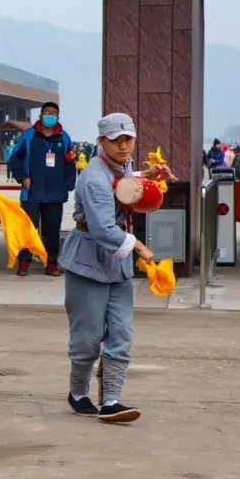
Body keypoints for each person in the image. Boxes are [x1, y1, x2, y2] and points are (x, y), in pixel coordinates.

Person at [59, 113, 171, 424]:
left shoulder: (118, 167)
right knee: (88, 336)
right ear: (101, 142)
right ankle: (78, 392)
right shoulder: (94, 178)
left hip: (116, 266)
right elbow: (104, 230)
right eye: (115, 140)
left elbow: (125, 183)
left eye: (128, 139)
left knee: (121, 332)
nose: (124, 146)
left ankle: (111, 400)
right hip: (87, 261)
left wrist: (148, 174)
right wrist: (139, 247)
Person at [8, 101, 76, 277]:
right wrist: (23, 177)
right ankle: (24, 262)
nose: (50, 116)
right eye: (47, 112)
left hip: (55, 193)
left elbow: (70, 163)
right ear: (40, 115)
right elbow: (15, 158)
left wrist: (69, 183)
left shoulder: (64, 138)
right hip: (32, 193)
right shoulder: (28, 136)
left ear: (58, 117)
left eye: (54, 113)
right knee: (28, 229)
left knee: (52, 231)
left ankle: (51, 263)